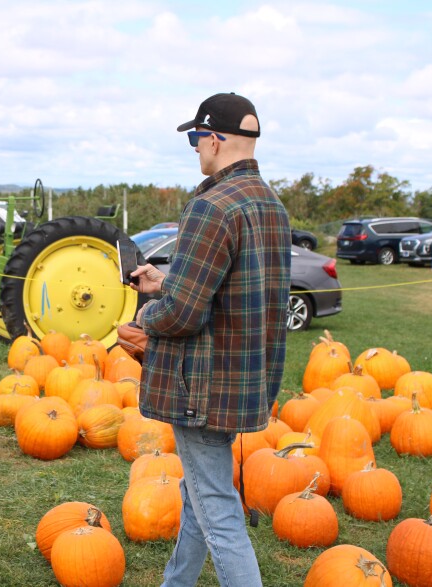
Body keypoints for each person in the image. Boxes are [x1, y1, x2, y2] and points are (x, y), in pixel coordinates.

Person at [130, 92, 291, 587]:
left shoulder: (211, 206)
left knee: (219, 510)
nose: (196, 149)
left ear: (216, 139)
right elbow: (231, 287)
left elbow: (182, 313)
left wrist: (144, 320)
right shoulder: (271, 205)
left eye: (197, 138)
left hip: (202, 384)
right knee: (199, 493)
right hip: (245, 380)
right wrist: (165, 281)